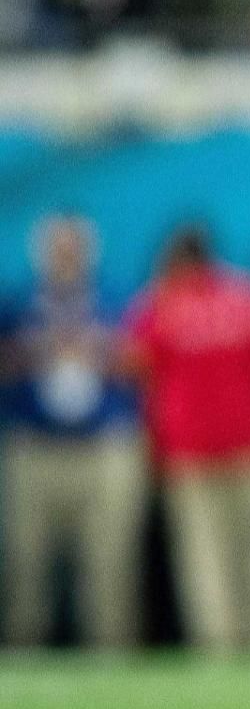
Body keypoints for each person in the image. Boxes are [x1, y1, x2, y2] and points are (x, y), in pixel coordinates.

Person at [126, 225, 250, 653]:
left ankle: (218, 648)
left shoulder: (159, 305)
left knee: (205, 558)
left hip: (189, 453)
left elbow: (137, 378)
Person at [0, 214, 145, 649]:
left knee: (109, 564)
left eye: (73, 246)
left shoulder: (119, 300)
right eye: (57, 247)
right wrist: (36, 350)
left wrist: (97, 348)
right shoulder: (17, 303)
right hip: (35, 446)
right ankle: (21, 660)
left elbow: (145, 362)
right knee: (26, 563)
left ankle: (112, 658)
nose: (66, 255)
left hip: (105, 445)